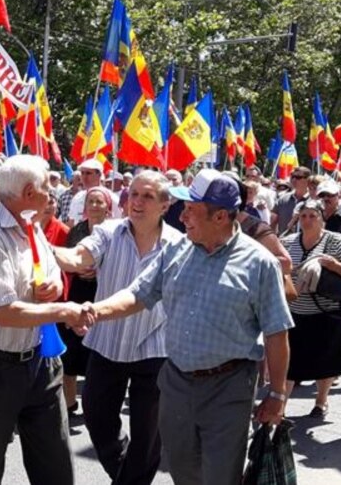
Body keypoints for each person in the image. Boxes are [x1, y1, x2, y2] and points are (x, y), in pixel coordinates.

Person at [81, 169, 293, 484]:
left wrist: (277, 394)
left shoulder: (259, 263)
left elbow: (277, 332)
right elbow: (137, 295)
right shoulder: (176, 251)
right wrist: (93, 311)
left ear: (221, 216)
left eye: (192, 209)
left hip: (229, 386)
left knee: (220, 475)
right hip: (176, 384)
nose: (183, 216)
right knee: (183, 470)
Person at [0, 155, 86, 485]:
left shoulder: (31, 224)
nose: (52, 195)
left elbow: (54, 272)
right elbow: (3, 313)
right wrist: (64, 311)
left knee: (56, 469)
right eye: (48, 188)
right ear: (29, 192)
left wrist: (54, 287)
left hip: (41, 363)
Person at [53, 171, 181, 485]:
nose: (137, 202)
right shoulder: (109, 232)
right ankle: (127, 476)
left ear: (165, 205)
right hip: (107, 345)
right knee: (97, 418)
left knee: (148, 435)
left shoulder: (178, 246)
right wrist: (38, 248)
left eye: (147, 196)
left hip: (154, 349)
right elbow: (78, 256)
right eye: (133, 194)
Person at [282, 199, 341, 418]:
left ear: (322, 218)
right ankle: (281, 407)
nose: (307, 221)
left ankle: (321, 401)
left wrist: (331, 264)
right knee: (290, 363)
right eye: (303, 216)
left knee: (325, 362)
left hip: (326, 311)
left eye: (312, 216)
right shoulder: (287, 242)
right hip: (294, 312)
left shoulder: (335, 241)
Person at [59, 186, 114, 416]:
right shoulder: (77, 231)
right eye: (90, 201)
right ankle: (69, 403)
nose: (94, 206)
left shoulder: (115, 232)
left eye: (99, 202)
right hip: (78, 292)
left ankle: (99, 404)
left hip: (103, 294)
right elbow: (69, 257)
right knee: (70, 350)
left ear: (108, 208)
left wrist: (99, 271)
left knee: (98, 351)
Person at [271, 167, 310, 234]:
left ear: (308, 180)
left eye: (298, 177)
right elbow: (273, 221)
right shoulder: (282, 198)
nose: (294, 180)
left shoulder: (313, 200)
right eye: (292, 177)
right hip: (283, 242)